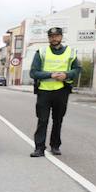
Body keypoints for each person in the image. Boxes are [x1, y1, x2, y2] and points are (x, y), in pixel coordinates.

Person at [29, 26, 81, 158]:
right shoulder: (41, 52)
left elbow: (77, 69)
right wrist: (50, 75)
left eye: (57, 36)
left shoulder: (70, 52)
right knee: (42, 120)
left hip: (62, 91)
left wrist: (66, 74)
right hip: (44, 91)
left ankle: (55, 146)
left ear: (61, 37)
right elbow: (33, 72)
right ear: (48, 38)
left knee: (58, 120)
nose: (54, 38)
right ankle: (39, 148)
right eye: (51, 36)